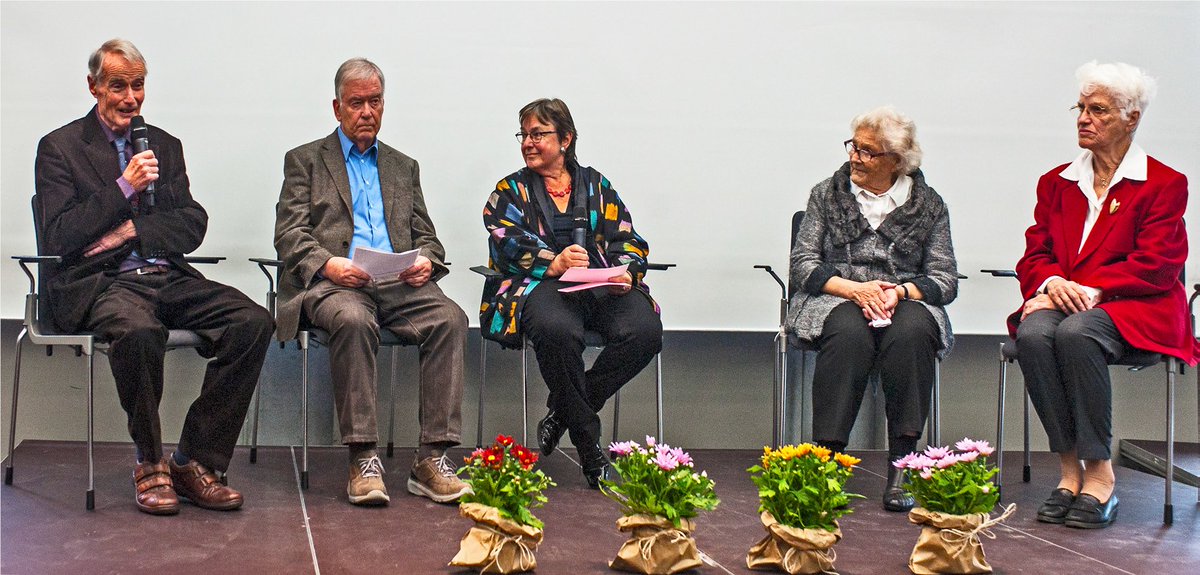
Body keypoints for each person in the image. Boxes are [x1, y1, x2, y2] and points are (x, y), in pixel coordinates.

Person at [33, 39, 273, 515]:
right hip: (99, 283)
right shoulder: (59, 149)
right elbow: (60, 237)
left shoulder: (163, 144)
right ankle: (149, 460)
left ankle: (193, 461)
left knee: (253, 322)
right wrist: (126, 187)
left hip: (165, 274)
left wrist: (131, 227)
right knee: (140, 332)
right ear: (93, 86)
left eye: (138, 85)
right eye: (118, 86)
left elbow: (191, 223)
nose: (130, 98)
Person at [1009, 61, 1197, 529]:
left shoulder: (1164, 183)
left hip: (1140, 305)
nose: (1083, 119)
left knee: (1076, 332)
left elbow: (1158, 265)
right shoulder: (1057, 182)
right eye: (1081, 108)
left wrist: (1087, 290)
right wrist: (1053, 283)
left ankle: (1101, 477)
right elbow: (1036, 252)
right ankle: (1069, 472)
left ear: (1132, 118)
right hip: (1069, 301)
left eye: (1099, 110)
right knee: (1033, 334)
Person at [274, 58, 470, 506]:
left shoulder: (404, 166)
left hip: (399, 282)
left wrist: (427, 261)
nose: (367, 111)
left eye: (375, 101)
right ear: (337, 107)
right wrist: (328, 265)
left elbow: (428, 237)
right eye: (356, 102)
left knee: (451, 319)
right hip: (338, 284)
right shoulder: (305, 160)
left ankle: (432, 459)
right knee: (353, 320)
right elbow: (289, 233)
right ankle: (363, 457)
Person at [481, 98, 663, 488]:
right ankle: (588, 443)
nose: (528, 142)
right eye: (524, 135)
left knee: (645, 331)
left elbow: (629, 238)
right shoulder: (508, 191)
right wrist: (554, 261)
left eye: (538, 134)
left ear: (565, 139)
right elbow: (504, 241)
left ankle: (562, 412)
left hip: (598, 284)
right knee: (558, 331)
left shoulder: (596, 184)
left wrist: (627, 272)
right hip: (540, 286)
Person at [787, 106, 959, 512]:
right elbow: (803, 264)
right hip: (837, 295)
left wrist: (898, 293)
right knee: (848, 334)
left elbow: (945, 278)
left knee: (913, 333)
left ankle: (903, 464)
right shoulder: (825, 195)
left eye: (867, 152)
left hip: (903, 300)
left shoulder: (930, 205)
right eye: (854, 147)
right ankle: (827, 464)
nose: (854, 157)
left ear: (896, 162)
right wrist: (854, 289)